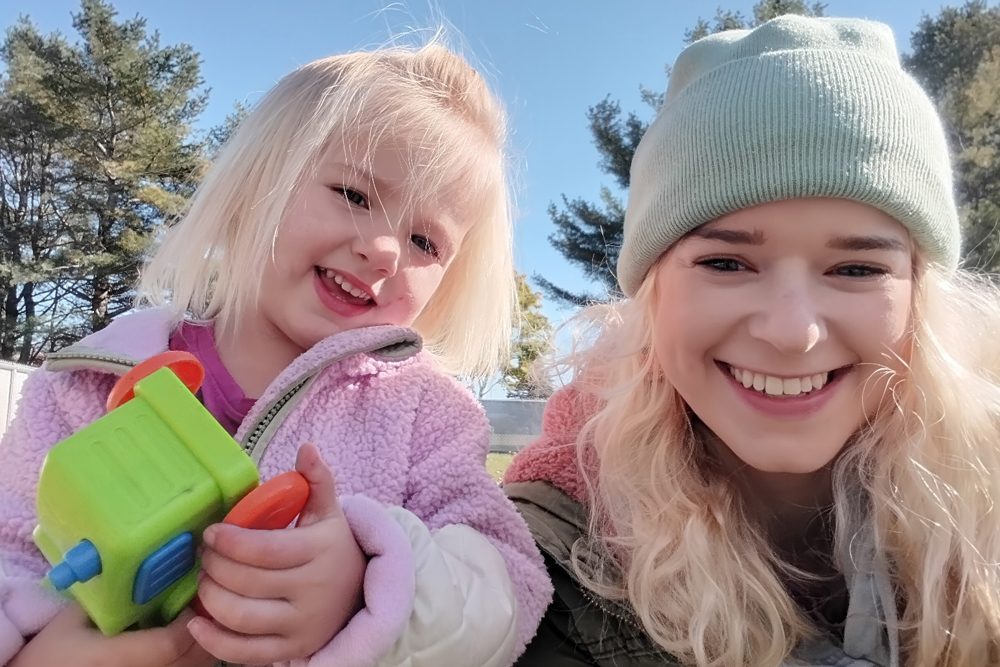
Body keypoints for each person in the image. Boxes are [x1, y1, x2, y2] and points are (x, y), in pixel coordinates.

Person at [0, 39, 551, 667]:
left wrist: (366, 585)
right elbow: (12, 547)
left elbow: (508, 587)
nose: (385, 251)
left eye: (425, 240)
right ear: (259, 181)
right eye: (354, 194)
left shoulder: (428, 416)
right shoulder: (86, 384)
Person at [505, 15, 1000, 667]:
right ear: (651, 295)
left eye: (857, 269)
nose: (793, 333)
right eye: (726, 264)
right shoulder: (531, 575)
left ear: (919, 296)